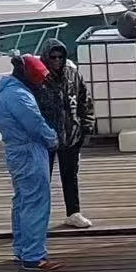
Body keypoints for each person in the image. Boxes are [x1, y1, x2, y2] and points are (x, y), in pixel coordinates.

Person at [0, 55, 62, 270]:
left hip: (17, 151)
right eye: (39, 79)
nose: (42, 83)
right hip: (29, 151)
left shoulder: (6, 91)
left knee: (23, 201)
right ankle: (34, 256)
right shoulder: (20, 96)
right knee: (36, 202)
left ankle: (22, 250)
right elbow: (35, 124)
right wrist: (53, 138)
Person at [39, 42, 95, 228]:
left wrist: (87, 128)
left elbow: (85, 102)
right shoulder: (38, 78)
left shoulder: (73, 75)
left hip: (71, 134)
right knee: (41, 177)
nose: (57, 60)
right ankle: (39, 215)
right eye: (53, 57)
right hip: (45, 137)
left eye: (60, 57)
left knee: (70, 175)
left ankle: (73, 212)